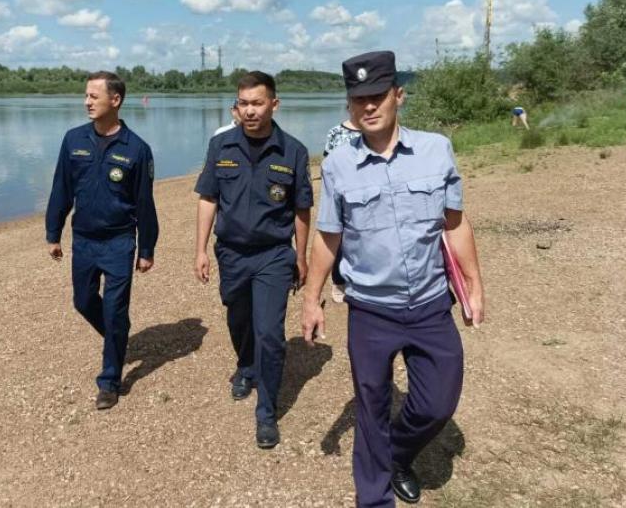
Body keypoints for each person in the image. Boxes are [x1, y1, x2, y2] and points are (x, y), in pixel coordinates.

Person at [301, 51, 486, 507]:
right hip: (370, 309)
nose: (368, 106)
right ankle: (374, 497)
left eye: (377, 96)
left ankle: (398, 453)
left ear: (398, 95)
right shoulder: (339, 164)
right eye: (357, 98)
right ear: (349, 105)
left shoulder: (435, 149)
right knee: (371, 408)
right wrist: (312, 298)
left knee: (437, 403)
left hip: (429, 304)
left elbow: (456, 224)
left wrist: (475, 284)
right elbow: (327, 238)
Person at [194, 71, 313, 449]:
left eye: (257, 103)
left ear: (274, 104)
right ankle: (246, 367)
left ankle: (267, 413)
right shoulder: (221, 147)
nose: (249, 111)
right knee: (238, 316)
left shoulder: (292, 151)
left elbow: (302, 209)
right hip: (231, 252)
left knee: (270, 333)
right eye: (243, 103)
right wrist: (199, 250)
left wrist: (303, 256)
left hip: (274, 255)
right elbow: (208, 198)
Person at [46, 71, 159, 411]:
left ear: (116, 100)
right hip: (83, 240)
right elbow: (61, 190)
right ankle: (117, 334)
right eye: (86, 96)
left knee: (115, 306)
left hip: (119, 241)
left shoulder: (137, 149)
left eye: (94, 96)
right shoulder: (73, 140)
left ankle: (109, 380)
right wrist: (53, 232)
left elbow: (145, 204)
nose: (87, 102)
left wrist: (147, 248)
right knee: (83, 302)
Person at [322, 115, 362, 304]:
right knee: (337, 236)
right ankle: (338, 281)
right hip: (341, 192)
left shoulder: (374, 130)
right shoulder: (335, 132)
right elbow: (326, 164)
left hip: (367, 192)